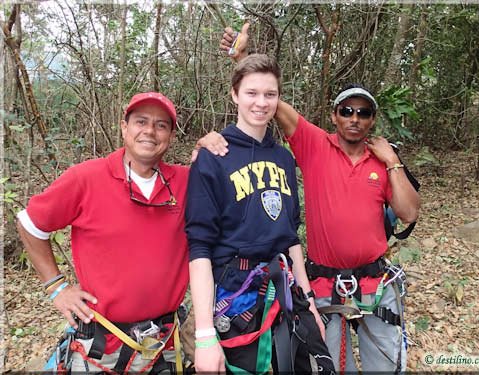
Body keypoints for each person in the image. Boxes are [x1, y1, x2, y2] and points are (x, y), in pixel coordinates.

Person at [220, 25, 421, 373]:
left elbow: (408, 212)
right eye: (347, 111)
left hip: (376, 282)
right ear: (334, 116)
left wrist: (392, 161)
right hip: (325, 284)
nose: (354, 119)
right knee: (326, 365)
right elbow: (272, 102)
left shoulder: (382, 160)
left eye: (363, 113)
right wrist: (243, 58)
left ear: (372, 119)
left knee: (385, 367)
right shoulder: (315, 145)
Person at [16, 92, 226, 373]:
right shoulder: (86, 178)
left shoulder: (187, 183)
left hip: (162, 344)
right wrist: (57, 287)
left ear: (171, 136)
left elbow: (232, 173)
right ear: (124, 127)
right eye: (141, 121)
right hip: (101, 345)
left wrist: (210, 146)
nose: (150, 131)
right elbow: (30, 224)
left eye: (161, 125)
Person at [185, 54, 335, 374]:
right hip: (237, 300)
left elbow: (291, 239)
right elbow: (199, 247)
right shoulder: (213, 156)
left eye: (270, 94)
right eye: (252, 93)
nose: (261, 103)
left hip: (286, 294)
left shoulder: (283, 158)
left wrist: (309, 305)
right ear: (234, 94)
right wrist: (204, 335)